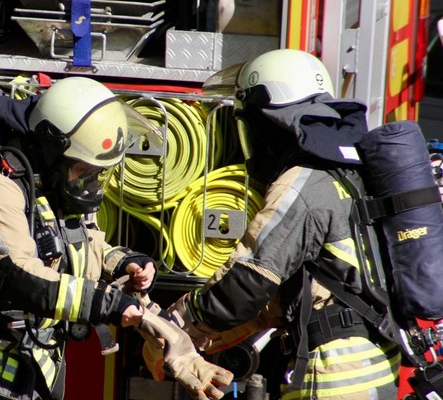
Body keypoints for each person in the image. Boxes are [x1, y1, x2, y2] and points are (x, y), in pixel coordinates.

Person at [0, 75, 233, 400]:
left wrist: (122, 262)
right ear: (51, 149)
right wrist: (111, 304)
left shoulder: (53, 181)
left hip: (20, 368)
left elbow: (78, 240)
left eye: (96, 174)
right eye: (83, 171)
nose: (89, 183)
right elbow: (17, 276)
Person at [166, 48, 401, 399]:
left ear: (269, 125)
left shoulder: (304, 180)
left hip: (332, 376)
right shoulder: (354, 170)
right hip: (376, 364)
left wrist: (176, 321)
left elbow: (246, 285)